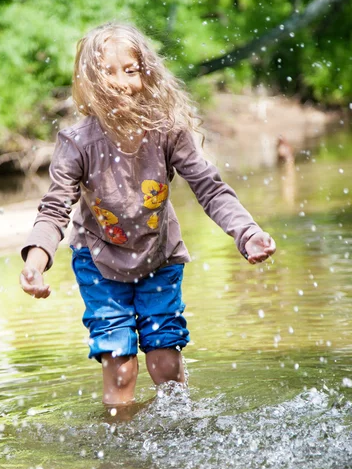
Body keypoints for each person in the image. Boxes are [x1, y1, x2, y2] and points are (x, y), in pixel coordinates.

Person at [20, 22, 276, 406]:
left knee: (164, 362)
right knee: (121, 368)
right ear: (88, 81)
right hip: (99, 261)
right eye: (107, 72)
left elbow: (210, 188)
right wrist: (36, 263)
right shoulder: (77, 144)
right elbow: (55, 208)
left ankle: (179, 436)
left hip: (160, 257)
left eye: (131, 70)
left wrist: (246, 232)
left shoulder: (168, 132)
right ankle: (121, 450)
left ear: (147, 75)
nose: (120, 82)